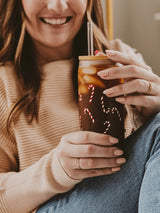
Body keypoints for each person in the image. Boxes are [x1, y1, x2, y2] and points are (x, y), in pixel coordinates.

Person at [0, 0, 160, 213]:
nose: (57, 6)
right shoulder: (4, 81)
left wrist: (151, 114)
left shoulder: (121, 58)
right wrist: (56, 170)